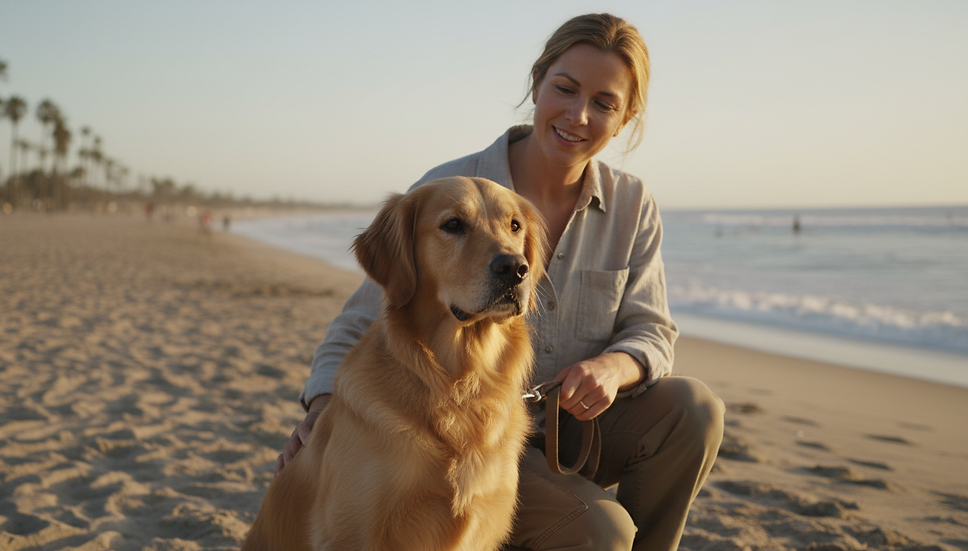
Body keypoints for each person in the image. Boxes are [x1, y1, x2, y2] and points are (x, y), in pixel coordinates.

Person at [278, 13, 724, 551]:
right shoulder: (445, 190)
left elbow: (652, 331)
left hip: (567, 428)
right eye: (565, 88)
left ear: (625, 117)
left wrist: (614, 366)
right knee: (599, 530)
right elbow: (363, 315)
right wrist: (324, 413)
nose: (579, 115)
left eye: (605, 103)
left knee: (693, 410)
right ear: (537, 83)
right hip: (463, 428)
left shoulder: (632, 205)